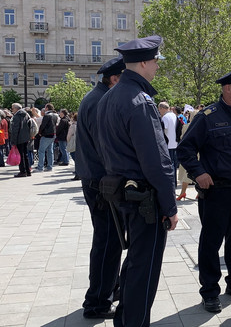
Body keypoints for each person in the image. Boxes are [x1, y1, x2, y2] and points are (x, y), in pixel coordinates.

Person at [97, 36, 179, 326]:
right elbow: (157, 162)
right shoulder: (139, 101)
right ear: (144, 62)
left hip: (122, 193)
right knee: (143, 273)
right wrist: (170, 207)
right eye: (156, 61)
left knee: (133, 266)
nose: (157, 66)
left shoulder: (110, 96)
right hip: (145, 200)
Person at [177, 67, 231, 314]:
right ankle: (210, 291)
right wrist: (198, 174)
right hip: (216, 191)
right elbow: (185, 149)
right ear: (227, 89)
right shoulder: (207, 116)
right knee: (211, 242)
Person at [76, 56, 125, 319]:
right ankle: (96, 302)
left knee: (110, 240)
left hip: (97, 181)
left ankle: (110, 288)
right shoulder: (100, 102)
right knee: (107, 243)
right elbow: (106, 148)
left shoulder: (96, 97)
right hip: (101, 184)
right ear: (115, 79)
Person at [158, 101, 178, 191]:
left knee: (169, 165)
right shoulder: (174, 115)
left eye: (159, 109)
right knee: (174, 164)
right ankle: (175, 183)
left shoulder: (165, 117)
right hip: (175, 143)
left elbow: (163, 130)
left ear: (162, 108)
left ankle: (171, 183)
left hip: (168, 144)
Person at [9, 103, 32, 177]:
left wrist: (13, 141)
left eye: (12, 108)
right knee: (25, 155)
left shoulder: (16, 117)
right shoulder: (26, 115)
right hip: (26, 137)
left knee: (21, 155)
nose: (12, 110)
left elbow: (15, 130)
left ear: (16, 108)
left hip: (19, 138)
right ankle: (28, 171)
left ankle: (23, 171)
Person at [36, 103, 58, 172]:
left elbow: (43, 125)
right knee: (50, 151)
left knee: (41, 151)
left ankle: (40, 167)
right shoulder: (55, 115)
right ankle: (50, 166)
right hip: (53, 134)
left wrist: (40, 132)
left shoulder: (47, 115)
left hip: (46, 134)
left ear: (47, 108)